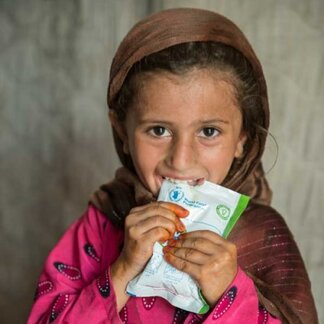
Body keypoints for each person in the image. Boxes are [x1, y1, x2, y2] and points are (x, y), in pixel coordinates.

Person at [27, 8, 318, 324]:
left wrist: (229, 292)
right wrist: (123, 271)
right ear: (123, 132)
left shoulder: (263, 235)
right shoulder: (101, 223)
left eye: (208, 132)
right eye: (158, 130)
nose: (180, 160)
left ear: (242, 139)